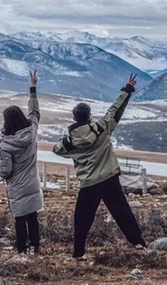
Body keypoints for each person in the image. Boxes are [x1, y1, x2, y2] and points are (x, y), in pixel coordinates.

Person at [53, 73, 147, 261]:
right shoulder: (102, 128)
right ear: (89, 116)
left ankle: (78, 253)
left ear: (74, 117)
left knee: (82, 219)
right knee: (122, 212)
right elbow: (115, 110)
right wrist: (127, 89)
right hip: (109, 178)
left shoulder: (69, 143)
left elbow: (57, 149)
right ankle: (139, 243)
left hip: (89, 183)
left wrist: (69, 136)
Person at [0, 71, 43, 261]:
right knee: (33, 218)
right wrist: (33, 88)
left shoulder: (6, 145)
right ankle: (36, 248)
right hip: (32, 183)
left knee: (19, 219)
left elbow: (6, 170)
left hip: (17, 186)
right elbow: (35, 112)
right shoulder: (31, 130)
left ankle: (21, 251)